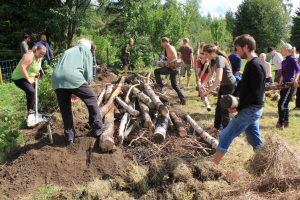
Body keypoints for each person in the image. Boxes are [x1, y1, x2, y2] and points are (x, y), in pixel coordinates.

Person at [213, 34, 266, 165]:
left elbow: (255, 94)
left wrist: (239, 107)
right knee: (255, 140)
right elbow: (243, 85)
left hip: (251, 110)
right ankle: (266, 163)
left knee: (225, 135)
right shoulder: (250, 64)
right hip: (251, 109)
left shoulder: (256, 66)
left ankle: (212, 166)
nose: (236, 52)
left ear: (246, 47)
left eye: (237, 49)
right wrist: (234, 98)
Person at [52, 38, 107, 144]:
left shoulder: (68, 51)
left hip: (56, 80)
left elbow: (65, 68)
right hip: (73, 78)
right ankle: (97, 126)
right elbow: (87, 73)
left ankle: (69, 137)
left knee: (65, 108)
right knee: (91, 98)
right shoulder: (86, 51)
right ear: (88, 47)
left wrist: (74, 90)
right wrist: (84, 85)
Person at [202, 44, 236, 132]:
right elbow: (210, 74)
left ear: (212, 53)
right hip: (224, 85)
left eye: (206, 54)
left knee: (224, 109)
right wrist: (203, 84)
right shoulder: (213, 60)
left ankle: (226, 131)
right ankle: (216, 127)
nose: (205, 56)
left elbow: (218, 79)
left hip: (229, 85)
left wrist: (208, 91)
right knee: (218, 106)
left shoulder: (220, 60)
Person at [12, 45, 46, 115]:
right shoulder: (30, 56)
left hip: (31, 78)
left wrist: (37, 73)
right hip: (19, 77)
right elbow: (22, 67)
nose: (41, 55)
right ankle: (30, 111)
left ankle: (31, 112)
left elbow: (35, 67)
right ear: (36, 50)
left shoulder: (40, 58)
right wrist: (28, 79)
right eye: (40, 53)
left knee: (32, 94)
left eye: (43, 54)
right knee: (31, 91)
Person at [154, 37, 186, 105]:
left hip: (172, 68)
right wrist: (163, 62)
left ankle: (161, 86)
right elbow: (166, 57)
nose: (161, 44)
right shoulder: (169, 47)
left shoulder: (169, 48)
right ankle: (183, 100)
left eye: (162, 43)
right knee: (174, 85)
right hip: (174, 68)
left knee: (156, 71)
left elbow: (174, 58)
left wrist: (167, 63)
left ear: (165, 42)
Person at [276, 43, 300, 129]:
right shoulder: (284, 61)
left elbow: (298, 70)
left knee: (281, 104)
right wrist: (280, 83)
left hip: (290, 85)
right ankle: (286, 122)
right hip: (283, 85)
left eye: (281, 49)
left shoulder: (292, 59)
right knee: (284, 104)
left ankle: (281, 123)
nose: (280, 51)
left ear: (286, 50)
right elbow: (283, 74)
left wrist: (295, 80)